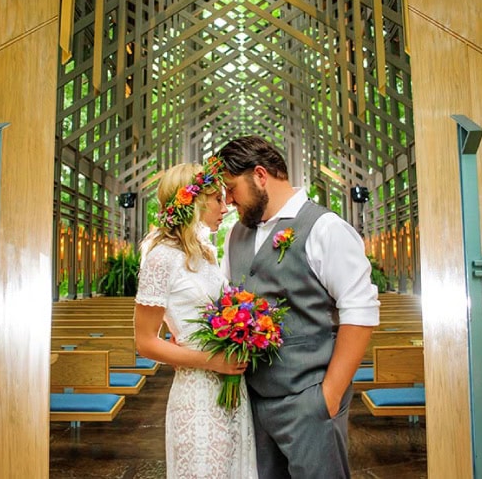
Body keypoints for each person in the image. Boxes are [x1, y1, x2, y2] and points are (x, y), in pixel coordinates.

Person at [217, 135, 380, 479]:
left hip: (309, 400)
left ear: (260, 175)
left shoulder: (326, 228)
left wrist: (328, 397)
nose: (228, 200)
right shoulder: (235, 235)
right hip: (252, 402)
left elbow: (360, 313)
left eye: (232, 188)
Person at [134, 158, 258, 478]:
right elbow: (145, 342)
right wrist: (209, 360)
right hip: (197, 394)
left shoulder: (205, 254)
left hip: (230, 389)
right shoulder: (160, 258)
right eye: (218, 199)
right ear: (195, 202)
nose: (225, 206)